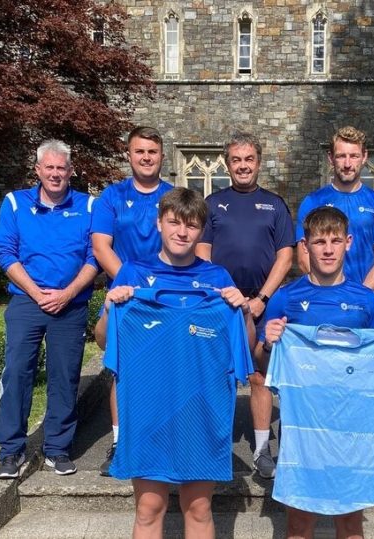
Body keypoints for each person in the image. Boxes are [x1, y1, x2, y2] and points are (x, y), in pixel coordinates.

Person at [94, 187, 255, 539]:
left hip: (201, 410)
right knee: (149, 508)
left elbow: (248, 348)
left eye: (192, 226)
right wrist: (111, 307)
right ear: (159, 224)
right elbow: (105, 341)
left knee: (198, 509)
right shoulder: (133, 275)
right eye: (174, 223)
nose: (182, 232)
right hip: (148, 410)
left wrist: (243, 312)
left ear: (201, 231)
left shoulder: (217, 280)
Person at [258, 206, 374, 539]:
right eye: (319, 241)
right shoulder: (285, 298)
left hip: (350, 430)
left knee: (350, 525)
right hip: (302, 429)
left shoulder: (367, 302)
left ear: (348, 243)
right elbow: (262, 367)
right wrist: (268, 344)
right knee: (298, 525)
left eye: (335, 241)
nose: (327, 249)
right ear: (306, 245)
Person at [0, 139, 98, 478]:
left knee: (65, 376)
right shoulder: (14, 203)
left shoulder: (89, 206)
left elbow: (95, 257)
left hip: (71, 304)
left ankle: (57, 448)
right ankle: (11, 451)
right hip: (27, 300)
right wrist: (38, 293)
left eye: (61, 168)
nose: (55, 174)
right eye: (48, 167)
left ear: (70, 172)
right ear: (37, 170)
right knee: (17, 373)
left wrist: (66, 294)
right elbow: (4, 252)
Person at [195, 130, 295, 479]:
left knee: (259, 376)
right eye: (236, 160)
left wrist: (261, 299)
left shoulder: (275, 204)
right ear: (227, 163)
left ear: (258, 162)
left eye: (248, 159)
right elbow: (202, 253)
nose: (242, 166)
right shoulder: (212, 204)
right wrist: (225, 294)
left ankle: (262, 449)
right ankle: (213, 447)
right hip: (221, 302)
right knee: (217, 376)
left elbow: (285, 256)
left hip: (263, 302)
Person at [91, 126, 173, 476]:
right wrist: (133, 283)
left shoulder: (175, 195)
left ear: (161, 157)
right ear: (129, 154)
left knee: (168, 368)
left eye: (152, 152)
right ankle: (120, 439)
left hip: (167, 296)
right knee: (121, 368)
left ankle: (166, 434)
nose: (146, 157)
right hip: (125, 296)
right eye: (139, 151)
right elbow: (100, 246)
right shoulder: (111, 196)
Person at [295, 126, 374, 290]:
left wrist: (358, 297)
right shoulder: (312, 202)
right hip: (322, 298)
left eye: (354, 156)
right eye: (341, 156)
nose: (348, 164)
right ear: (331, 158)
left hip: (362, 298)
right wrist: (330, 293)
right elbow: (303, 257)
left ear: (364, 157)